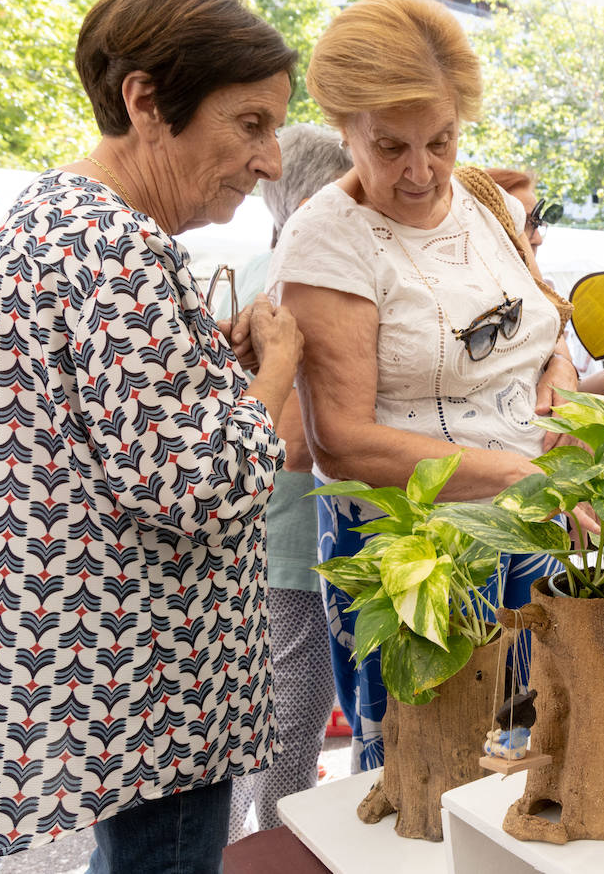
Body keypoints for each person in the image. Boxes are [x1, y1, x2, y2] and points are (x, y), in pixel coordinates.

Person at [0, 0, 303, 871]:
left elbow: (107, 434)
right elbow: (199, 487)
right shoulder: (118, 245)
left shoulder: (49, 219)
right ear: (146, 101)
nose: (270, 161)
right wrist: (278, 367)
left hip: (101, 674)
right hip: (156, 690)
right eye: (251, 123)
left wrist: (214, 373)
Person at [267, 0, 579, 772]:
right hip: (416, 553)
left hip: (525, 522)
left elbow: (546, 323)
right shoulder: (328, 242)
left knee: (530, 750)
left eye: (440, 140)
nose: (421, 170)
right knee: (431, 771)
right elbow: (341, 443)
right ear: (343, 127)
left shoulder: (487, 201)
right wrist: (512, 473)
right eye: (390, 146)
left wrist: (563, 376)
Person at [223, 123, 350, 842]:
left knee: (253, 729)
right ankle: (271, 853)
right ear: (309, 205)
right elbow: (297, 444)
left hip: (256, 532)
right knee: (287, 734)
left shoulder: (251, 268)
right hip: (295, 535)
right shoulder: (300, 284)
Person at [488, 166, 604, 398]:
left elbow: (568, 392)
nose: (537, 239)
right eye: (522, 222)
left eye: (537, 223)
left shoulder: (545, 300)